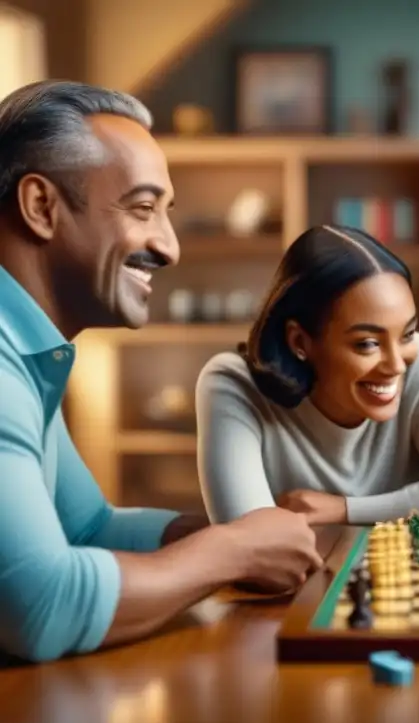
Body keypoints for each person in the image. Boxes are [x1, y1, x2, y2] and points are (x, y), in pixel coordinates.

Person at [0, 81, 325, 664]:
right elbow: (42, 607)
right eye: (142, 209)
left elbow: (87, 527)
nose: (170, 248)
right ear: (41, 208)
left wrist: (232, 531)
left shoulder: (25, 354)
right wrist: (235, 550)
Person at [194, 225, 419, 526]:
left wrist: (344, 510)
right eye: (368, 344)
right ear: (300, 342)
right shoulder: (233, 384)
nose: (397, 365)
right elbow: (249, 544)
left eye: (407, 334)